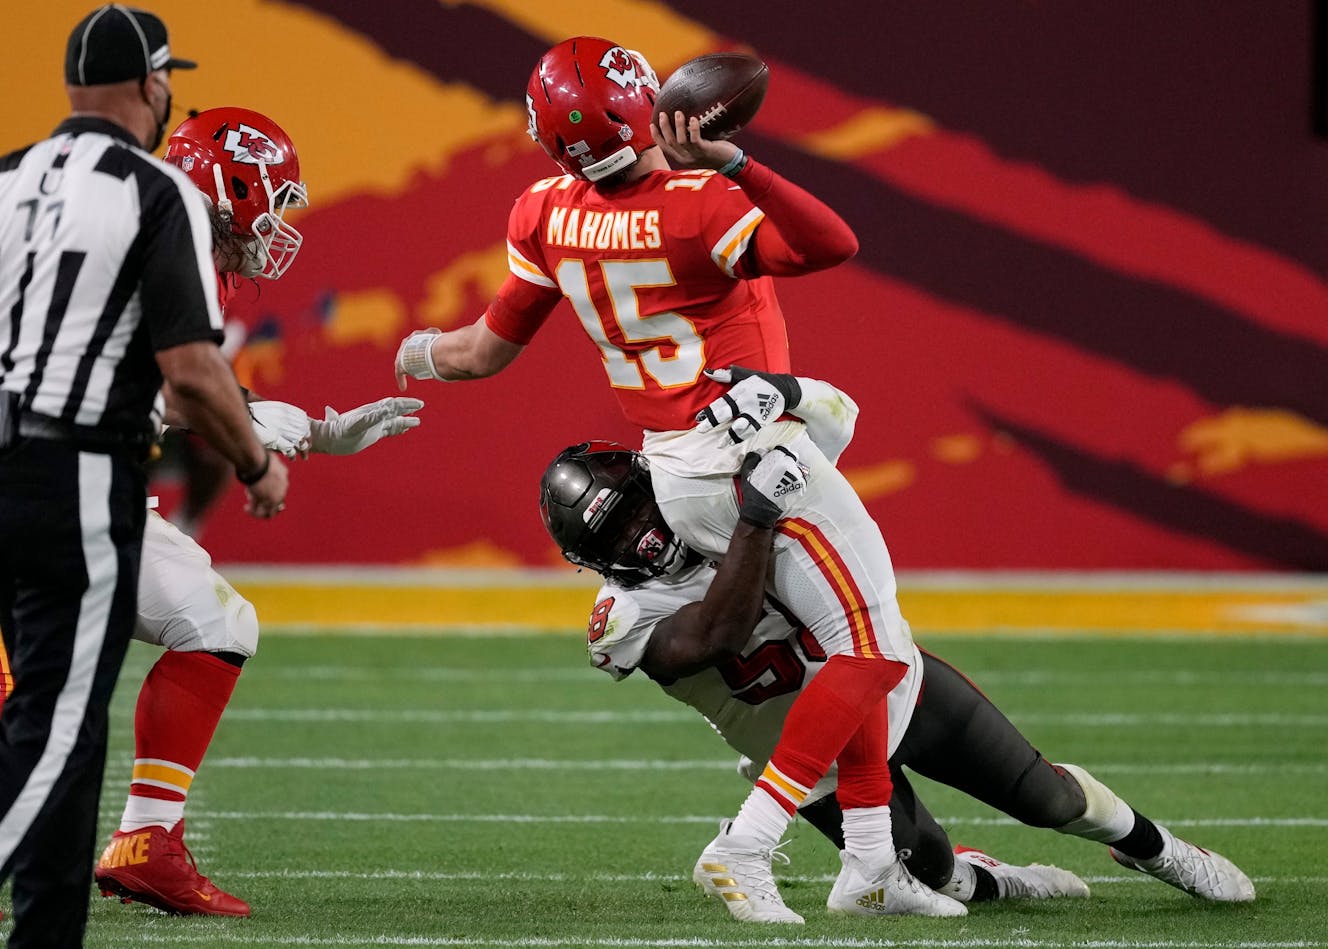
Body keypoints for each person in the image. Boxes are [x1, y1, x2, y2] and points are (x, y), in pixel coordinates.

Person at [394, 37, 954, 921]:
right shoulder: (693, 203)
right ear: (640, 105)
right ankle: (746, 845)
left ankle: (874, 862)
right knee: (874, 649)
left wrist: (416, 352)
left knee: (856, 643)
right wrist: (735, 157)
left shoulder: (542, 211)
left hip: (673, 464)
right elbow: (831, 242)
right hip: (747, 448)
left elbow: (479, 353)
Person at [536, 370, 1257, 919]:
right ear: (596, 564)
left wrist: (782, 390)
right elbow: (718, 630)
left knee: (1047, 795)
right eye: (616, 537)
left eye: (634, 510)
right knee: (936, 868)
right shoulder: (623, 619)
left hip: (892, 690)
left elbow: (835, 417)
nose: (643, 536)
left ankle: (1158, 849)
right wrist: (757, 515)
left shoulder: (707, 491)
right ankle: (997, 878)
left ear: (649, 480)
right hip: (809, 759)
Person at [78, 106, 421, 918]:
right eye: (273, 200)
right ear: (227, 187)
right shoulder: (153, 237)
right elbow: (179, 383)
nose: (279, 225)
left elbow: (180, 383)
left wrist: (300, 427)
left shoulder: (173, 239)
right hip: (40, 478)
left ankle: (147, 843)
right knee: (35, 684)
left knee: (215, 619)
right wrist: (264, 446)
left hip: (89, 484)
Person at [0, 7, 289, 947]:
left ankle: (107, 877)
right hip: (64, 468)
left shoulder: (8, 179)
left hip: (45, 453)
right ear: (152, 83)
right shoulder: (154, 191)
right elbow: (189, 372)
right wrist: (256, 460)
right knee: (54, 728)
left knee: (73, 709)